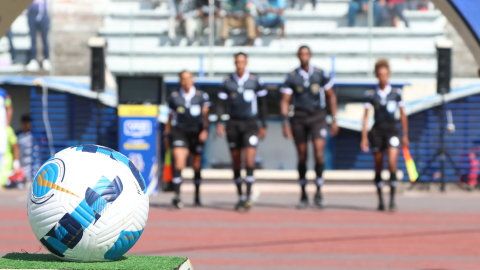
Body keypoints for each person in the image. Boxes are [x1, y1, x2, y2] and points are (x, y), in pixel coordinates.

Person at [280, 46, 338, 209]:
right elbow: (285, 100)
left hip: (317, 117)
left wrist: (334, 119)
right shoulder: (292, 76)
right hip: (298, 118)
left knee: (319, 154)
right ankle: (303, 193)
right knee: (302, 156)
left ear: (310, 55)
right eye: (301, 54)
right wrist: (285, 122)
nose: (304, 56)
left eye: (306, 53)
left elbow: (331, 96)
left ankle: (319, 191)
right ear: (298, 56)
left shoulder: (320, 74)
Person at [217, 52, 268, 211]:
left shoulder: (255, 81)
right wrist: (220, 122)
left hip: (250, 124)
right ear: (234, 63)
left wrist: (263, 124)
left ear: (246, 63)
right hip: (233, 123)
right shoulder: (227, 82)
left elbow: (263, 104)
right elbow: (220, 104)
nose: (240, 65)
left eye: (242, 62)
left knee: (250, 160)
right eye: (237, 62)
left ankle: (247, 196)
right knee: (236, 161)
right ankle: (240, 196)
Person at [361, 59, 409, 211]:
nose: (383, 77)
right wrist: (364, 137)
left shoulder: (396, 94)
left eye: (385, 74)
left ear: (389, 75)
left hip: (392, 131)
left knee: (393, 162)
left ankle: (393, 200)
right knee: (378, 164)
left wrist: (405, 134)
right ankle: (381, 199)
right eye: (380, 74)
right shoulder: (370, 94)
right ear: (377, 75)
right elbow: (366, 117)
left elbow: (403, 115)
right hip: (377, 132)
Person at [164, 71, 211, 208]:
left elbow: (205, 116)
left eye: (189, 78)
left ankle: (197, 196)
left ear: (193, 80)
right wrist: (167, 135)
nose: (187, 81)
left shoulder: (201, 96)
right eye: (183, 79)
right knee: (179, 161)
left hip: (196, 133)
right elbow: (169, 118)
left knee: (196, 165)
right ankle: (177, 196)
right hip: (180, 132)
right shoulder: (174, 97)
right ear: (180, 81)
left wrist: (205, 130)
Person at [26, 0, 51, 72]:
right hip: (32, 16)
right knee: (33, 39)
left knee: (45, 39)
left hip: (43, 17)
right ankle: (33, 60)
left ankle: (46, 60)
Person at [17, 114, 33, 182]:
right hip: (21, 168)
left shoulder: (37, 135)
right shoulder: (17, 135)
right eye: (25, 123)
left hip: (34, 169)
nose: (27, 125)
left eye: (29, 123)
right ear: (22, 123)